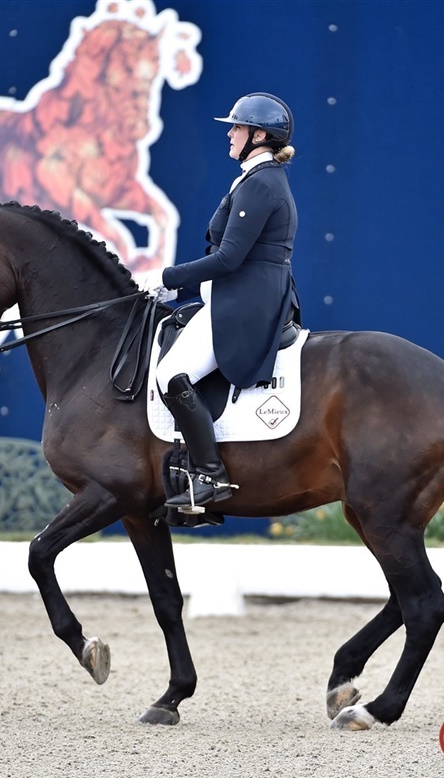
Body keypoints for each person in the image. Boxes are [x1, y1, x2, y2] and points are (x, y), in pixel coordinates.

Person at [135, 92, 300, 510]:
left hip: (245, 304)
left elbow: (228, 259)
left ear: (258, 135)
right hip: (240, 294)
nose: (230, 134)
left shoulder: (261, 183)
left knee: (171, 374)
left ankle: (210, 475)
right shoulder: (256, 178)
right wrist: (178, 290)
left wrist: (166, 277)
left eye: (237, 128)